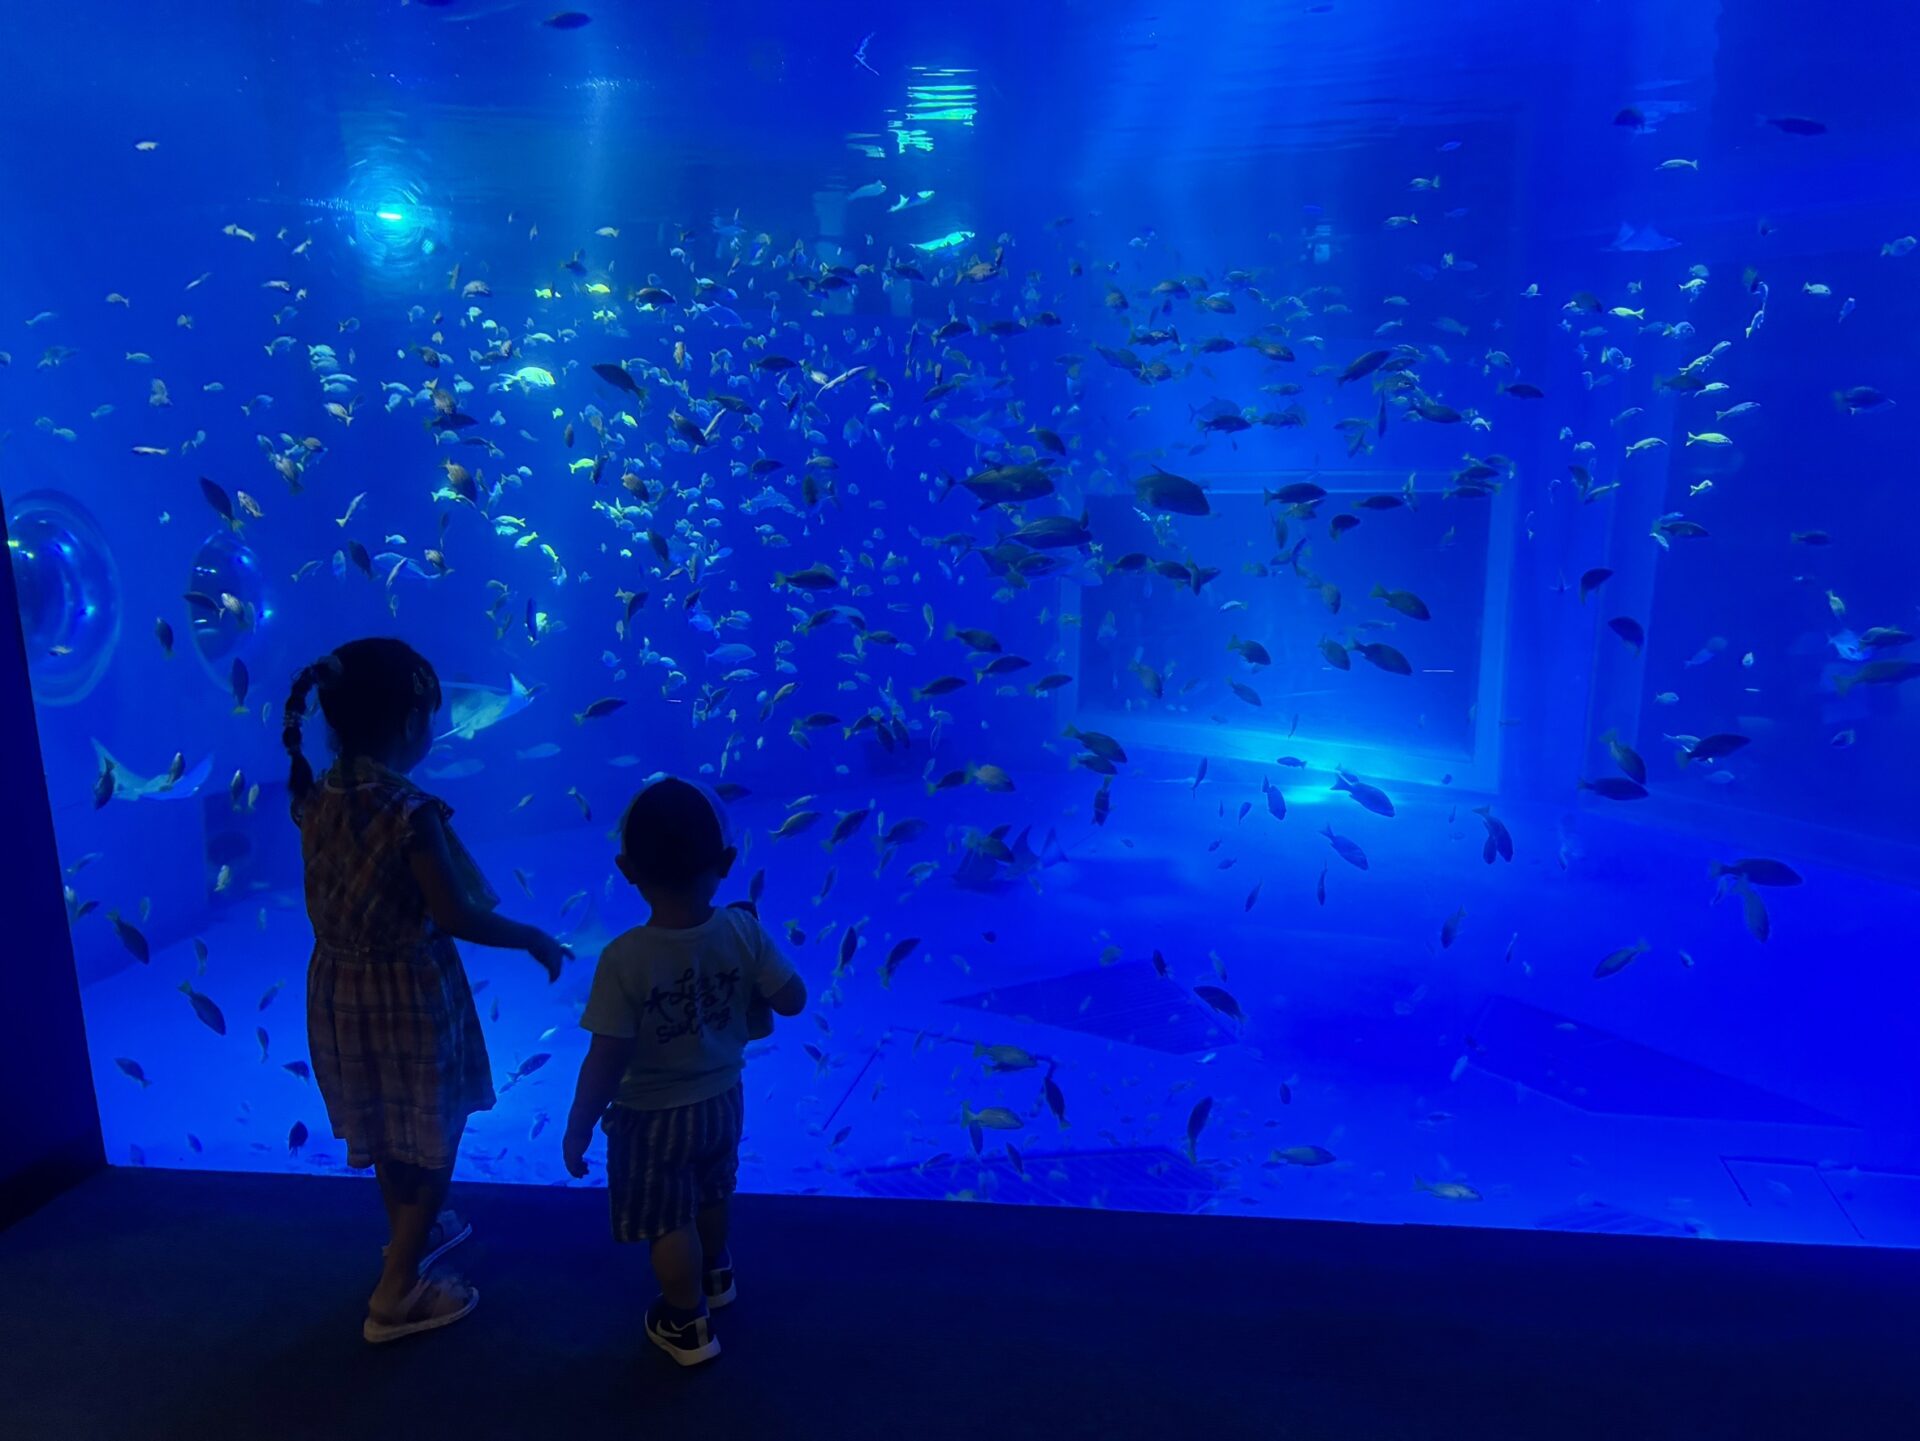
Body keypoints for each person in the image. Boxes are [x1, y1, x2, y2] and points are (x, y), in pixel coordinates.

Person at [283, 638, 569, 1344]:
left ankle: (406, 1233)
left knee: (386, 1125)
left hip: (340, 992)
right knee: (438, 1134)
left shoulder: (313, 796)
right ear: (413, 723)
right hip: (409, 993)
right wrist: (531, 935)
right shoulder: (411, 811)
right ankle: (396, 1292)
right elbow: (455, 914)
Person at [563, 777, 806, 1366]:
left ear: (625, 869)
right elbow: (793, 1000)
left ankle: (686, 1320)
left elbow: (606, 1056)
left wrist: (579, 1124)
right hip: (723, 1101)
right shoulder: (742, 930)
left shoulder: (624, 958)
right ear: (726, 862)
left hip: (651, 1119)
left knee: (669, 1219)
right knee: (713, 1192)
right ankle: (717, 1276)